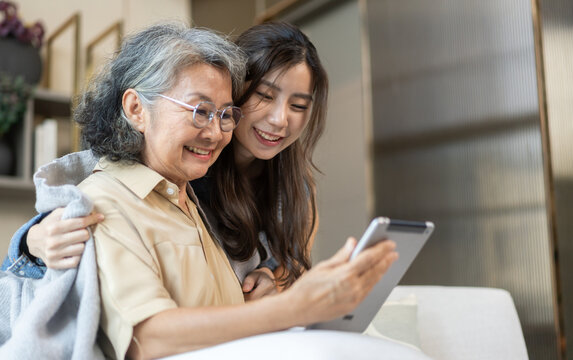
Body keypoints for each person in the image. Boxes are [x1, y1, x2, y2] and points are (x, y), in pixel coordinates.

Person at [14, 22, 398, 360]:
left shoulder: (212, 191)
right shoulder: (144, 184)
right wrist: (30, 241)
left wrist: (282, 278)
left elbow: (284, 267)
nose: (215, 132)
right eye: (200, 110)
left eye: (224, 114)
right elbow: (147, 337)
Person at [3, 22, 326, 297]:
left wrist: (273, 278)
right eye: (265, 96)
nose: (280, 119)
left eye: (298, 106)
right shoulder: (182, 161)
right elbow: (94, 180)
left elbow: (293, 264)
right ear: (233, 89)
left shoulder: (295, 186)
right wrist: (31, 240)